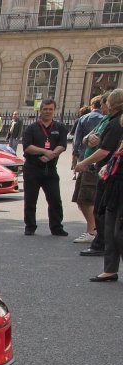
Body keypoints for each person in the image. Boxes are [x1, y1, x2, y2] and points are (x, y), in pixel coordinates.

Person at [74, 88, 123, 257]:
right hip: (105, 170)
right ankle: (101, 244)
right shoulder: (107, 120)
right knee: (101, 209)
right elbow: (88, 137)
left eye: (106, 102)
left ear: (111, 103)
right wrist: (89, 139)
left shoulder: (116, 123)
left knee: (104, 210)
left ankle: (101, 244)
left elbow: (105, 150)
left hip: (110, 172)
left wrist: (83, 163)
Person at [20, 98, 68, 236]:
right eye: (45, 109)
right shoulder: (31, 128)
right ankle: (30, 226)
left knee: (55, 200)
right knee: (30, 200)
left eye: (50, 109)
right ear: (40, 110)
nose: (47, 112)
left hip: (50, 169)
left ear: (54, 110)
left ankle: (56, 227)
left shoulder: (60, 128)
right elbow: (27, 147)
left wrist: (51, 155)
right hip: (32, 168)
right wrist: (44, 151)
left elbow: (62, 145)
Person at [91, 128, 123, 281]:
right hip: (115, 187)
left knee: (119, 233)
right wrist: (107, 168)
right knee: (109, 230)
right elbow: (116, 158)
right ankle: (110, 270)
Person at [72, 98, 104, 243]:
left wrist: (78, 159)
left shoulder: (86, 118)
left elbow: (77, 140)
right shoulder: (105, 120)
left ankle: (92, 231)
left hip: (89, 164)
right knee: (86, 199)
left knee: (85, 199)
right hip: (94, 164)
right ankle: (94, 230)